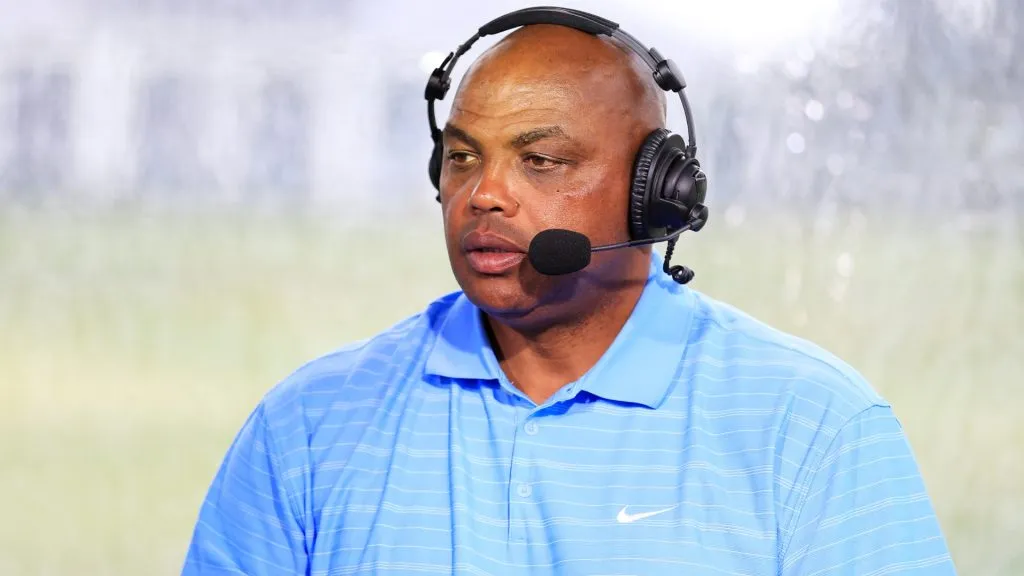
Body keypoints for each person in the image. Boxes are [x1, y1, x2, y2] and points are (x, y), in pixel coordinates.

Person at [182, 8, 957, 576]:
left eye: (540, 161)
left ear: (657, 195)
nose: (483, 194)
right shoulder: (310, 427)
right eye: (461, 158)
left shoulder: (812, 429)